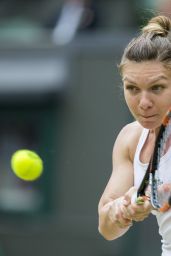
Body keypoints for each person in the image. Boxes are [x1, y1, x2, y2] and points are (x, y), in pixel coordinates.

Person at [98, 15, 171, 256]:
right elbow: (106, 228)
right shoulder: (130, 139)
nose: (144, 103)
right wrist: (123, 210)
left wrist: (158, 194)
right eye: (133, 89)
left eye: (157, 88)